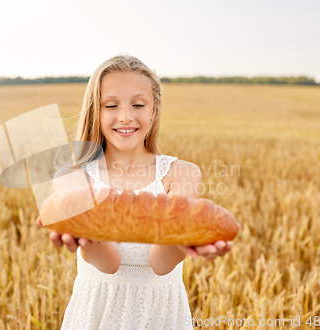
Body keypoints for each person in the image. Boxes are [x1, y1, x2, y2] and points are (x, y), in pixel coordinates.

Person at [36, 53, 234, 329]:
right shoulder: (72, 177)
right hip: (96, 313)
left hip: (161, 315)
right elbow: (109, 264)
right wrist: (88, 238)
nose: (125, 116)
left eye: (138, 104)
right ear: (97, 111)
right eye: (111, 105)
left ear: (153, 110)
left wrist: (185, 240)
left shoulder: (181, 173)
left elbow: (161, 264)